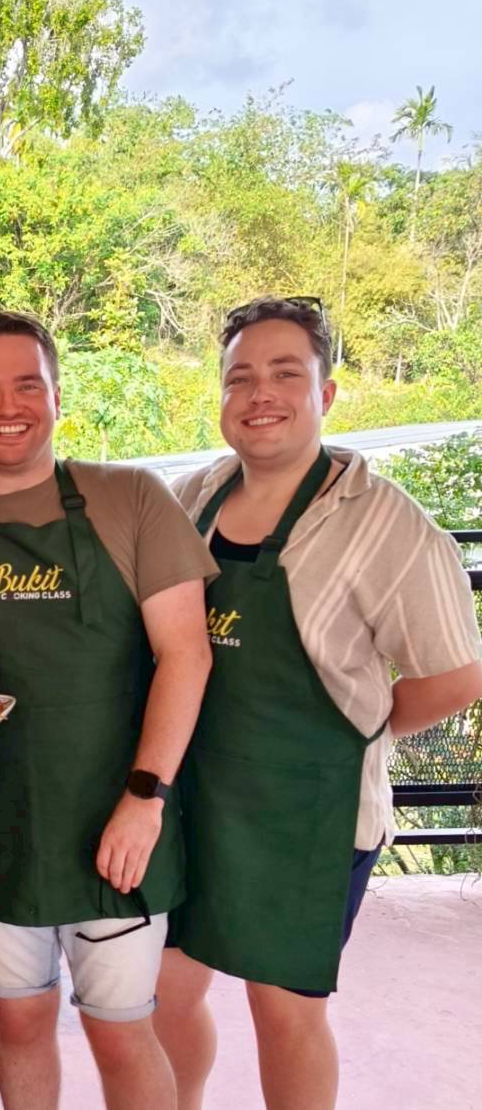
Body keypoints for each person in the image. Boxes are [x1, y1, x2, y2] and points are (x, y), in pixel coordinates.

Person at [0, 309, 216, 1110]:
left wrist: (146, 799)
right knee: (19, 1023)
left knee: (122, 1032)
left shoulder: (130, 499)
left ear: (58, 396)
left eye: (28, 384)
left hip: (119, 829)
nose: (7, 405)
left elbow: (186, 654)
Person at [155, 296, 482, 1110]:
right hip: (193, 802)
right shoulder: (191, 497)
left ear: (326, 392)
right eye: (240, 377)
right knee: (162, 991)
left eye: (285, 373)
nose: (260, 393)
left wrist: (352, 737)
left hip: (311, 817)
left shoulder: (390, 525)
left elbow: (458, 674)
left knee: (283, 1009)